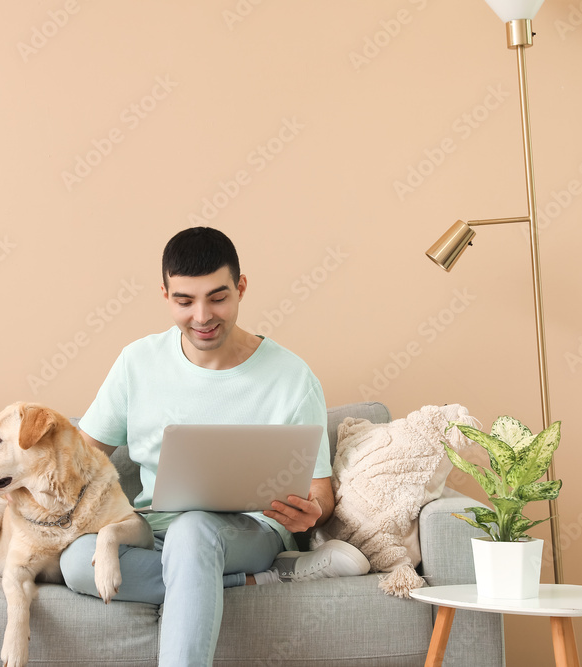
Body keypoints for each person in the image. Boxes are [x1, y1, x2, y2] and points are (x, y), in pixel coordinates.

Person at [59, 227, 369, 666]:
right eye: (184, 301)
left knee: (193, 531)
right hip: (154, 530)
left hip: (251, 531)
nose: (202, 316)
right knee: (76, 563)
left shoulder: (292, 378)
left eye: (217, 297)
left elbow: (320, 489)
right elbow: (81, 459)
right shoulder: (137, 363)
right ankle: (264, 580)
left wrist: (313, 511)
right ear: (165, 295)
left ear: (241, 287)